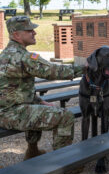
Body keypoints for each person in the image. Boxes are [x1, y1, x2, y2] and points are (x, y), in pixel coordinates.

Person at [0, 16, 83, 160]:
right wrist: (85, 68)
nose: (34, 33)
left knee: (36, 108)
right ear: (16, 35)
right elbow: (54, 71)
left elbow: (17, 90)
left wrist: (39, 101)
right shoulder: (23, 57)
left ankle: (32, 152)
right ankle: (64, 161)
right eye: (29, 30)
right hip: (9, 114)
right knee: (65, 116)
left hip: (8, 109)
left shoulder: (6, 54)